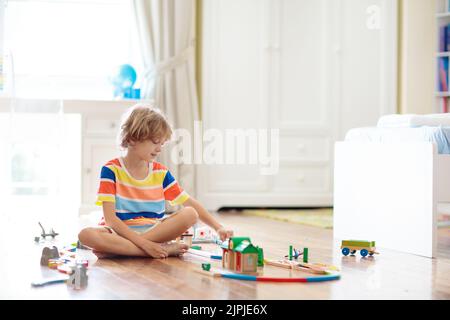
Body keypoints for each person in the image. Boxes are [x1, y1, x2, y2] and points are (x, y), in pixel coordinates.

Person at [78, 104, 234, 259]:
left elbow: (190, 203)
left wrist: (218, 227)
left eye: (162, 144)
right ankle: (157, 249)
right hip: (119, 232)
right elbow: (111, 220)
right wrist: (144, 245)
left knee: (190, 214)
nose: (159, 149)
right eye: (155, 142)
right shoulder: (111, 170)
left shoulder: (160, 173)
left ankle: (122, 250)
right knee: (85, 235)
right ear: (132, 138)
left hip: (153, 230)